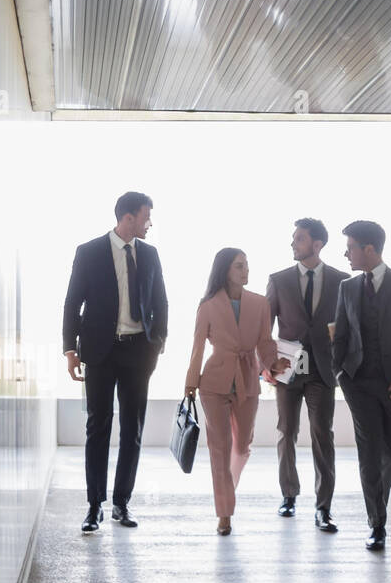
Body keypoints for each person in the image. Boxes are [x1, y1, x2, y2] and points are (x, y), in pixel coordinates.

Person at [62, 192, 169, 533]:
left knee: (132, 430)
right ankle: (95, 505)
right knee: (98, 427)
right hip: (99, 351)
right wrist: (70, 349)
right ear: (128, 218)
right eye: (146, 216)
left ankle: (122, 502)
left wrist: (159, 342)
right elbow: (72, 303)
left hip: (139, 351)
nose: (150, 223)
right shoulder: (89, 252)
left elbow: (161, 301)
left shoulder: (150, 254)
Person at [331, 220, 391, 550]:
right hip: (358, 382)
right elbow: (340, 336)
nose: (346, 254)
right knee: (369, 452)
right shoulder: (347, 288)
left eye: (351, 247)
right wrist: (339, 376)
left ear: (369, 249)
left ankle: (377, 501)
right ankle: (377, 524)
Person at [185, 249, 289, 535]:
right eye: (239, 266)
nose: (245, 271)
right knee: (219, 449)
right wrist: (190, 384)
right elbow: (197, 348)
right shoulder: (207, 306)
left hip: (248, 380)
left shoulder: (259, 304)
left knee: (242, 446)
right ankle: (225, 513)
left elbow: (265, 343)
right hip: (213, 385)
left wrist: (274, 364)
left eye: (246, 266)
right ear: (225, 270)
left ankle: (225, 488)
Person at [264, 218, 348, 532]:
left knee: (322, 434)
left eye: (299, 239)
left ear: (317, 244)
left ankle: (323, 506)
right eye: (293, 238)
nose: (293, 243)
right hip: (289, 366)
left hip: (323, 368)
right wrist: (267, 365)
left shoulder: (342, 281)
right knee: (286, 431)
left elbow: (347, 328)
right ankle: (289, 495)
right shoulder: (279, 279)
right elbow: (265, 327)